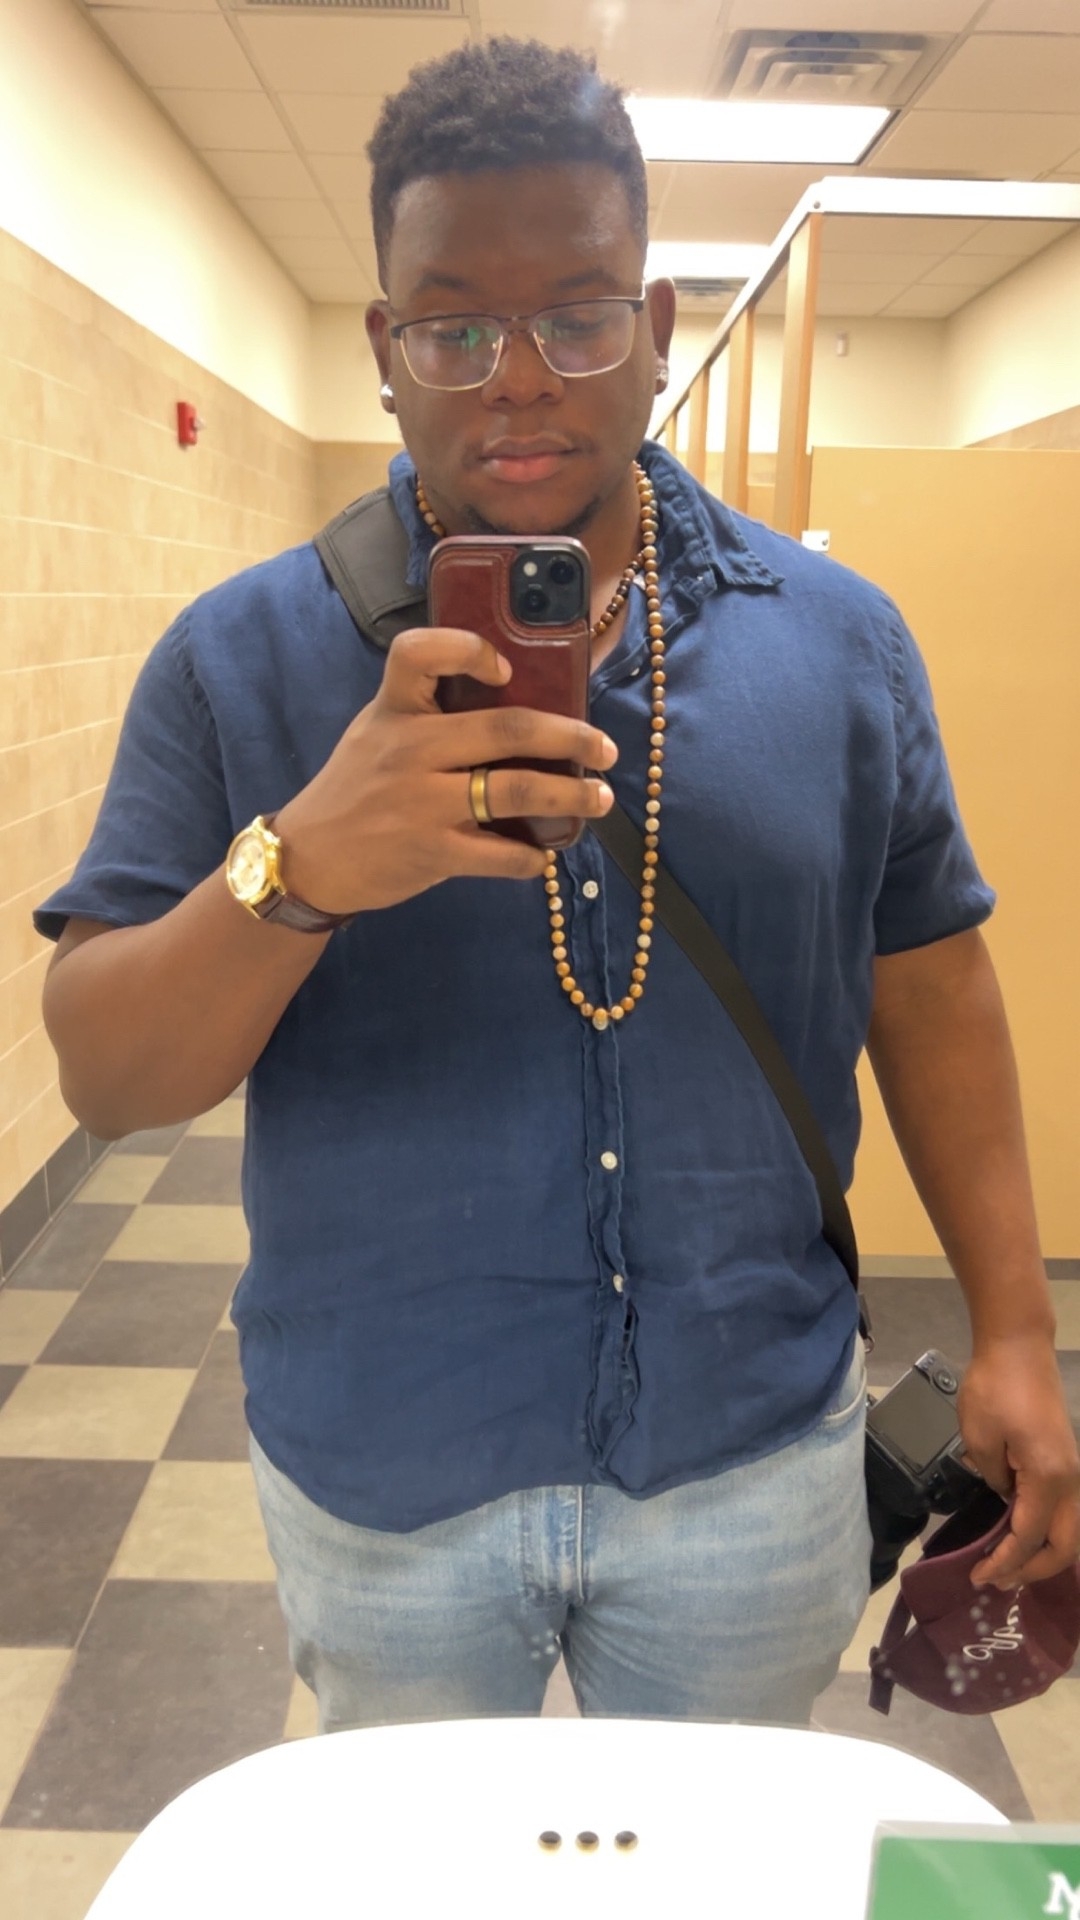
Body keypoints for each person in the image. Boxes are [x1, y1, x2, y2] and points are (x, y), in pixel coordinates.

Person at [37, 38, 1078, 1732]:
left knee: (714, 1862)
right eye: (453, 328)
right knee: (426, 1865)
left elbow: (932, 977)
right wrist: (298, 870)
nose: (518, 380)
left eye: (579, 317)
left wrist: (1017, 1330)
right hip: (389, 1464)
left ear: (656, 328)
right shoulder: (237, 661)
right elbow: (106, 1074)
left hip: (750, 1456)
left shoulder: (841, 647)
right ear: (384, 350)